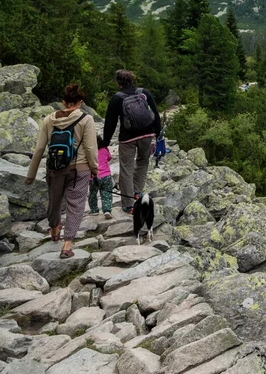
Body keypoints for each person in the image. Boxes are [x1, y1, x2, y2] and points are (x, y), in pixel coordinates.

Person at [24, 83, 98, 258]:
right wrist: (94, 169)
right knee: (76, 205)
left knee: (55, 201)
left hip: (55, 168)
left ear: (64, 102)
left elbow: (40, 149)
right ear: (80, 102)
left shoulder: (48, 120)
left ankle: (55, 229)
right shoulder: (86, 120)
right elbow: (90, 148)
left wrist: (31, 175)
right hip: (79, 169)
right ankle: (67, 245)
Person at [101, 69, 162, 213]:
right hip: (147, 135)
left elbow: (110, 122)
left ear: (118, 82)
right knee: (143, 162)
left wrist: (105, 142)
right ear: (132, 79)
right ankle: (137, 191)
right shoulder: (143, 93)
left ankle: (128, 204)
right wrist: (158, 134)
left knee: (126, 168)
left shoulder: (117, 98)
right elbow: (155, 113)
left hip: (127, 138)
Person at [89, 135, 114, 218]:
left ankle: (94, 210)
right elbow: (109, 158)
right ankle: (107, 210)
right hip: (106, 176)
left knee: (93, 194)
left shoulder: (89, 152)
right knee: (107, 193)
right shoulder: (104, 149)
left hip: (94, 177)